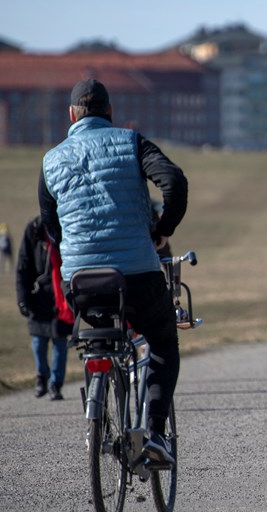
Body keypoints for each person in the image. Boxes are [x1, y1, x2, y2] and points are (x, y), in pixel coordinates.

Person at [39, 79, 187, 466]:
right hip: (137, 274)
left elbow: (50, 226)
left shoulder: (51, 160)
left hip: (81, 281)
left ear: (72, 115)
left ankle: (98, 413)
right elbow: (173, 181)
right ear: (110, 112)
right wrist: (162, 230)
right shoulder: (130, 141)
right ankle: (154, 433)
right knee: (162, 342)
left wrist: (75, 247)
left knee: (96, 339)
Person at [16, 216, 74, 400]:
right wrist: (23, 299)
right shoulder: (33, 230)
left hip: (61, 298)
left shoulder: (67, 226)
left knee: (60, 342)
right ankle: (42, 376)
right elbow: (23, 267)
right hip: (38, 296)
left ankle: (55, 384)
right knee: (38, 342)